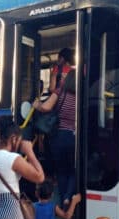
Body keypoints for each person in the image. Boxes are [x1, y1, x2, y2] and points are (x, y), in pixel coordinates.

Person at [33, 69, 76, 209]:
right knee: (73, 170)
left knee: (62, 172)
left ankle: (63, 199)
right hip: (74, 137)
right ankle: (68, 197)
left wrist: (36, 105)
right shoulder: (81, 94)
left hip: (58, 137)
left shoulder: (60, 92)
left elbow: (46, 107)